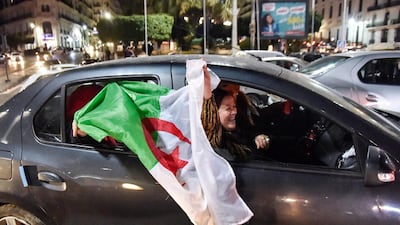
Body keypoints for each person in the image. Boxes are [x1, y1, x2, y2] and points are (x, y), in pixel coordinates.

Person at [202, 81, 270, 161]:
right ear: (214, 113)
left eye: (234, 107)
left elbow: (251, 125)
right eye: (228, 108)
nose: (234, 112)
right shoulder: (218, 148)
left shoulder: (235, 130)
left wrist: (257, 137)